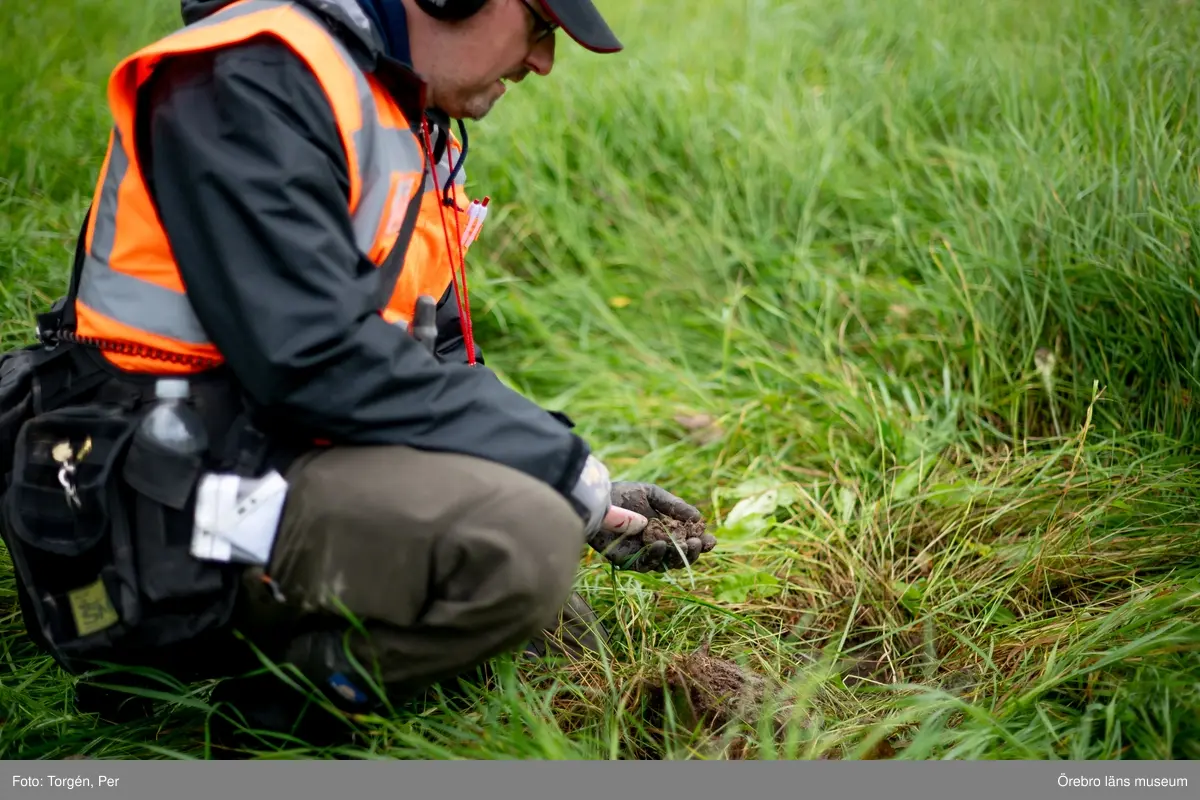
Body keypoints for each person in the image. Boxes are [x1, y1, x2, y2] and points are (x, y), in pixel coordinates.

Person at [0, 0, 717, 736]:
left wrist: (580, 488)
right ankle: (261, 735)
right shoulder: (247, 76)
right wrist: (558, 471)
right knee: (518, 544)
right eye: (540, 27)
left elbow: (420, 369)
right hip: (144, 505)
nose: (542, 61)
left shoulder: (397, 115)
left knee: (546, 580)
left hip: (258, 454)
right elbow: (313, 355)